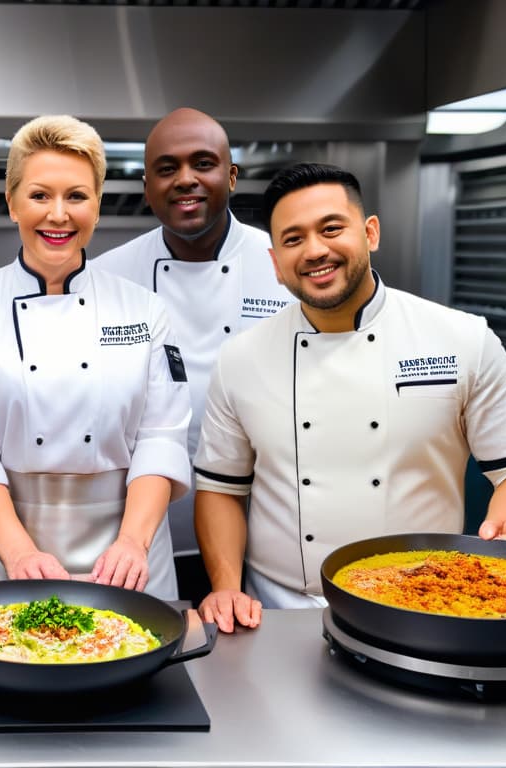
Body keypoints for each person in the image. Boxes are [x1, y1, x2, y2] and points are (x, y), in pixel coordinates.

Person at [193, 162, 506, 632]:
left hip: (424, 606)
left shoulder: (463, 340)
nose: (315, 250)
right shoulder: (240, 359)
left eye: (331, 228)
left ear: (371, 233)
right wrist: (225, 587)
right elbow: (220, 488)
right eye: (293, 239)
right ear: (276, 263)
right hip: (279, 611)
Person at [0, 115, 192, 600]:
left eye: (76, 196)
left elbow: (161, 438)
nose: (58, 214)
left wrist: (133, 543)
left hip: (127, 554)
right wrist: (19, 553)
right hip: (3, 548)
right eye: (39, 196)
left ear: (97, 205)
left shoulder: (145, 309)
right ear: (11, 203)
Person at [94, 108, 293, 602]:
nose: (186, 180)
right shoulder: (105, 279)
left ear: (230, 175)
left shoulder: (287, 268)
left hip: (263, 533)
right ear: (146, 185)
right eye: (167, 168)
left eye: (203, 164)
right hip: (136, 538)